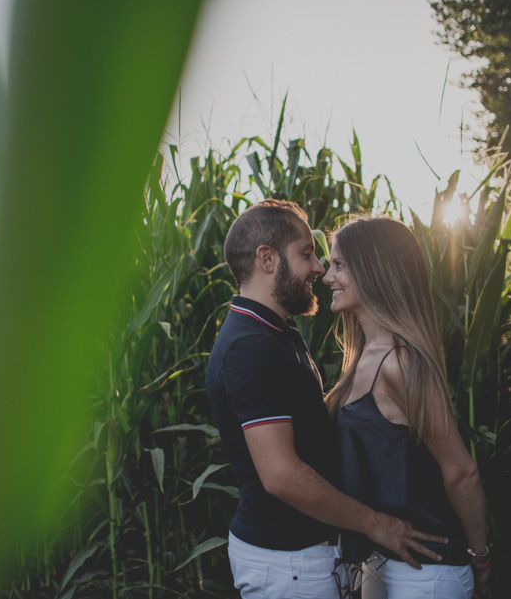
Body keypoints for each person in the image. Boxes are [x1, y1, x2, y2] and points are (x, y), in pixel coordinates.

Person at [206, 200, 445, 598]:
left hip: (298, 559)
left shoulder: (273, 334)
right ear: (267, 259)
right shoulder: (251, 347)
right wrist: (376, 524)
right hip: (288, 562)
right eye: (306, 254)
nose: (318, 268)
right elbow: (282, 475)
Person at [323, 215, 490, 598]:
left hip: (425, 571)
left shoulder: (401, 362)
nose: (328, 277)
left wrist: (480, 558)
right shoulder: (362, 357)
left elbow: (462, 471)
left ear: (374, 269)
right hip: (379, 564)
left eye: (339, 264)